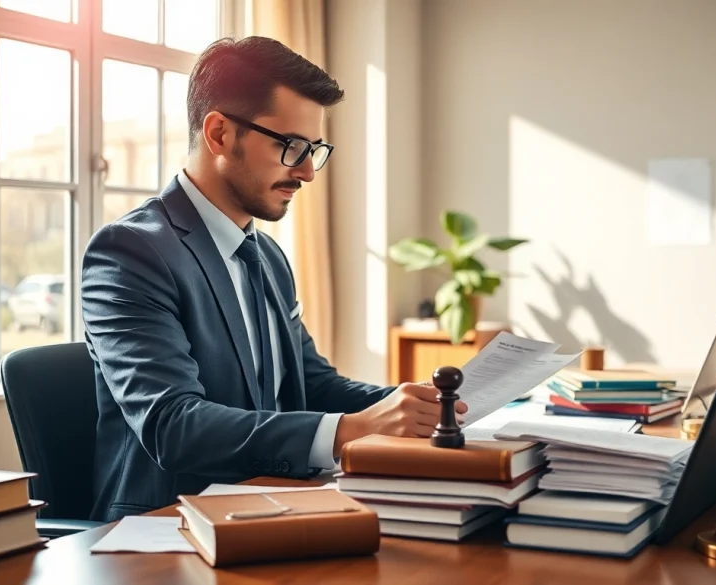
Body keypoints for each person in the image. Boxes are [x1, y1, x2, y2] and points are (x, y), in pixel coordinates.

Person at [81, 36, 466, 522]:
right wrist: (347, 430)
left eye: (314, 150)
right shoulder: (131, 252)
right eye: (290, 147)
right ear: (219, 133)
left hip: (274, 506)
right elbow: (172, 425)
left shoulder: (266, 254)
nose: (306, 172)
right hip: (167, 527)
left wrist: (418, 404)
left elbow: (311, 384)